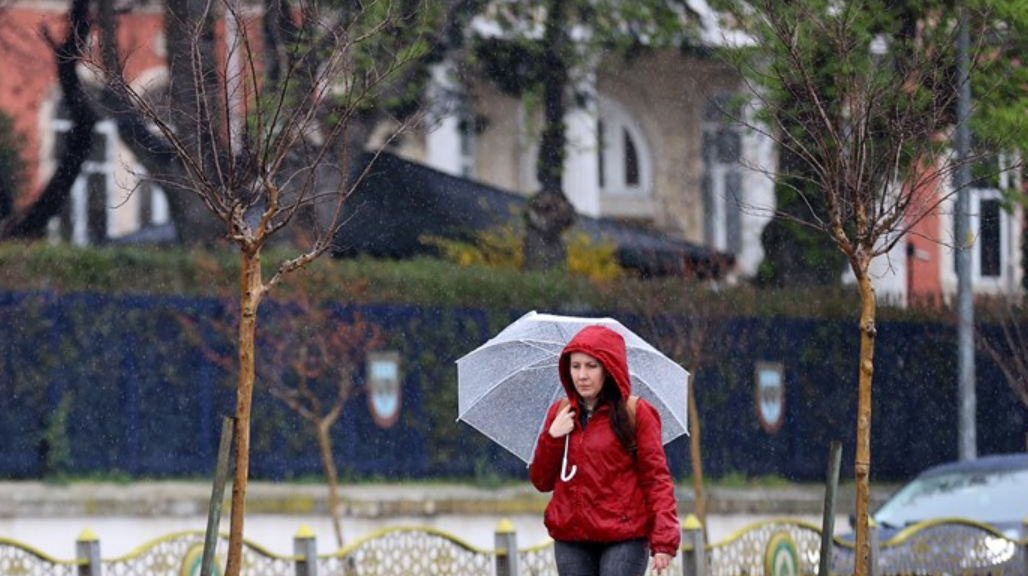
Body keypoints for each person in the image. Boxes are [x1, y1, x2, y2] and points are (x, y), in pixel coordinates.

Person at [530, 325, 680, 576]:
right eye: (575, 366)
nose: (582, 375)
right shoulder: (560, 413)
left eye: (591, 366)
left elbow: (656, 479)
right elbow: (541, 481)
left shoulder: (637, 413)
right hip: (572, 537)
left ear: (609, 369)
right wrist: (552, 437)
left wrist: (664, 539)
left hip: (624, 537)